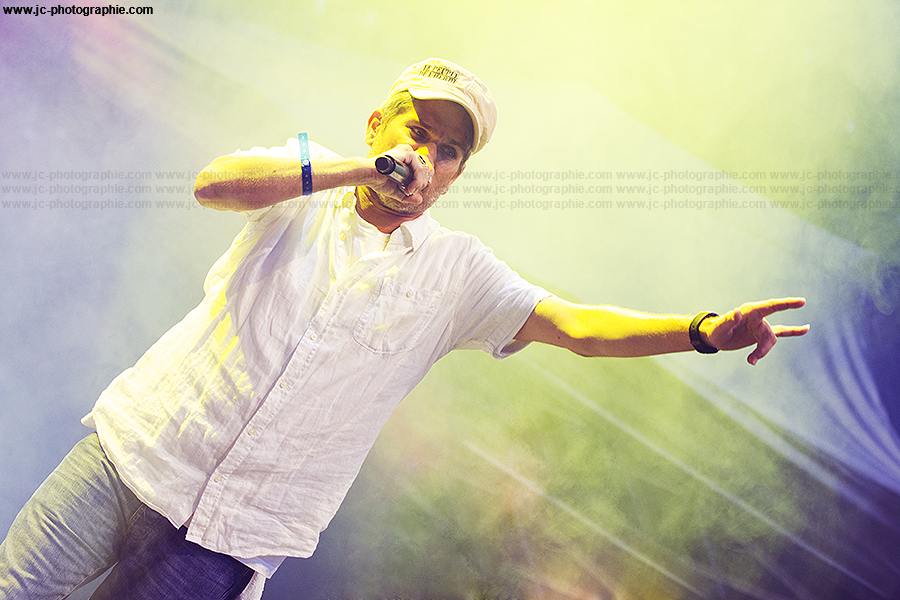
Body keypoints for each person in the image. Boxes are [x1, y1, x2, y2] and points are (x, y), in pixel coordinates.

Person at [0, 57, 810, 600]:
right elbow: (215, 184)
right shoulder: (306, 177)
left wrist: (702, 329)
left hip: (231, 533)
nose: (427, 155)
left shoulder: (458, 271)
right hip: (135, 453)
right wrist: (360, 172)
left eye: (448, 149)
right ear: (377, 124)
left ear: (458, 174)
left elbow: (576, 326)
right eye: (417, 131)